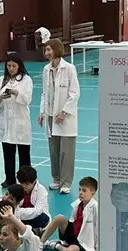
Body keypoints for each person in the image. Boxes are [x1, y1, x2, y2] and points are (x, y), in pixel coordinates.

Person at [38, 38, 80, 195]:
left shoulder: (69, 68)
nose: (47, 53)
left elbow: (75, 93)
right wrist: (42, 112)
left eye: (50, 49)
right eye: (46, 50)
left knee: (66, 152)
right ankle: (56, 179)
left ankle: (66, 182)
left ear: (57, 50)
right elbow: (44, 93)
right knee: (54, 150)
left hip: (65, 117)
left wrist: (64, 112)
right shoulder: (45, 70)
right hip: (50, 116)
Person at [0, 53, 34, 188]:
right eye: (9, 65)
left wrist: (16, 93)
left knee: (24, 154)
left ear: (19, 66)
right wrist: (1, 98)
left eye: (14, 66)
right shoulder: (1, 80)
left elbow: (28, 99)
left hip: (20, 123)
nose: (11, 68)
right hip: (6, 123)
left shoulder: (26, 80)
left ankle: (26, 180)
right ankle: (9, 178)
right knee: (8, 154)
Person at [40, 176, 98, 251]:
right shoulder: (78, 203)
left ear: (93, 192)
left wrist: (97, 246)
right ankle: (41, 244)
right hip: (72, 232)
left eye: (84, 190)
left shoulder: (95, 207)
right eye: (79, 189)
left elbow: (98, 228)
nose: (80, 193)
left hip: (82, 240)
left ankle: (55, 245)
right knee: (59, 217)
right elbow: (72, 220)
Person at [15, 165, 49, 232]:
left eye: (27, 184)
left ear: (34, 181)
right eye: (22, 183)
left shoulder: (41, 190)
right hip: (22, 216)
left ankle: (30, 229)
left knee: (43, 218)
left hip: (35, 217)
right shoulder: (18, 188)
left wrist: (18, 212)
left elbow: (37, 211)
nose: (24, 186)